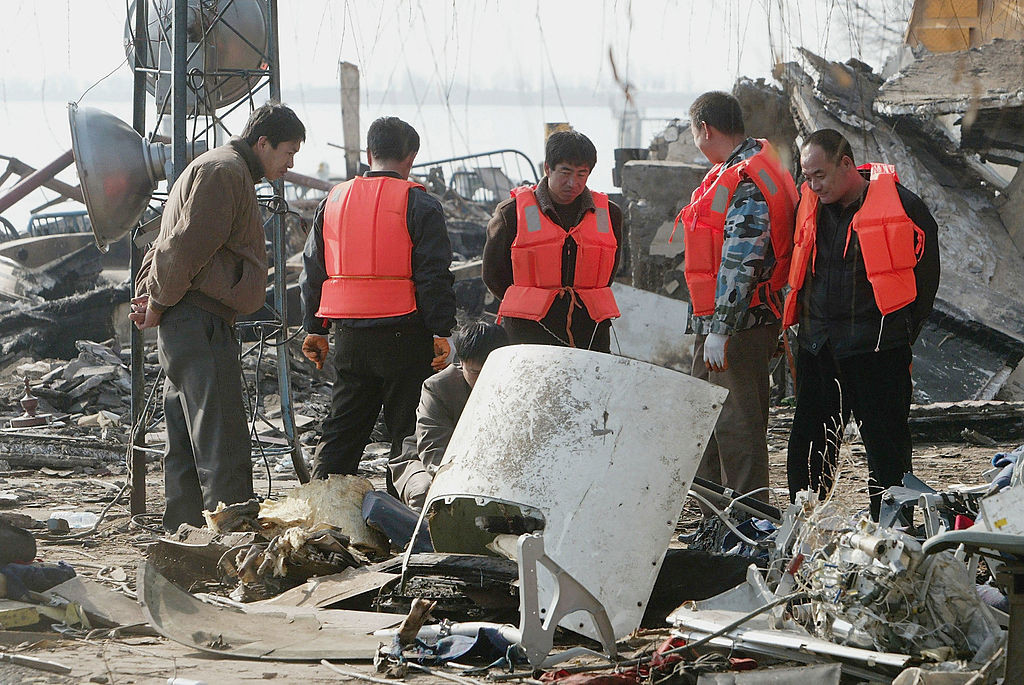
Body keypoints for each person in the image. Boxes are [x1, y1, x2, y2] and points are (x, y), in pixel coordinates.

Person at [130, 102, 306, 531]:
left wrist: (154, 297)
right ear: (262, 142)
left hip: (192, 322)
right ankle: (231, 540)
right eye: (288, 152)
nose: (290, 164)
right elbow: (181, 248)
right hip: (199, 322)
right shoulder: (225, 172)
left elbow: (168, 243)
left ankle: (185, 534)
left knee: (188, 443)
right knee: (222, 439)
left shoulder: (220, 168)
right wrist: (154, 302)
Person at [784, 128, 940, 520]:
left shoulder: (904, 207)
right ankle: (804, 527)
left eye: (820, 174)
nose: (813, 184)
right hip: (819, 348)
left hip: (878, 352)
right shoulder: (809, 206)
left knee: (887, 452)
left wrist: (903, 333)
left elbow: (926, 280)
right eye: (807, 176)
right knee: (807, 448)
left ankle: (890, 535)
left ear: (847, 164)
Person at [299, 116, 457, 491]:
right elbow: (433, 274)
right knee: (407, 432)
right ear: (411, 156)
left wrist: (315, 330)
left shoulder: (333, 201)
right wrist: (441, 331)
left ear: (370, 154)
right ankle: (405, 517)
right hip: (406, 335)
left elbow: (313, 270)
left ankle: (322, 509)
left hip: (350, 337)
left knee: (343, 427)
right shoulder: (419, 203)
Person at [674, 91, 797, 504]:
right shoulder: (751, 167)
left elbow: (740, 259)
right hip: (722, 322)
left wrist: (722, 329)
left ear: (705, 129)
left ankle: (747, 519)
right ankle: (714, 518)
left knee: (737, 426)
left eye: (694, 133)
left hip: (737, 325)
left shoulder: (746, 179)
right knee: (702, 419)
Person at [482, 130, 622, 353]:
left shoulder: (610, 214)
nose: (572, 183)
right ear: (548, 168)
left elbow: (609, 271)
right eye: (565, 172)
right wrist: (531, 301)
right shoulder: (511, 213)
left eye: (581, 174)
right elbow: (493, 274)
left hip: (590, 331)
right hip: (528, 330)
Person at [390, 322, 510, 510]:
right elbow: (433, 449)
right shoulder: (438, 388)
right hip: (425, 461)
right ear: (460, 363)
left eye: (491, 370)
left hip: (488, 467)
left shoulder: (517, 386)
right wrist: (466, 484)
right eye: (476, 372)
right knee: (429, 494)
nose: (484, 378)